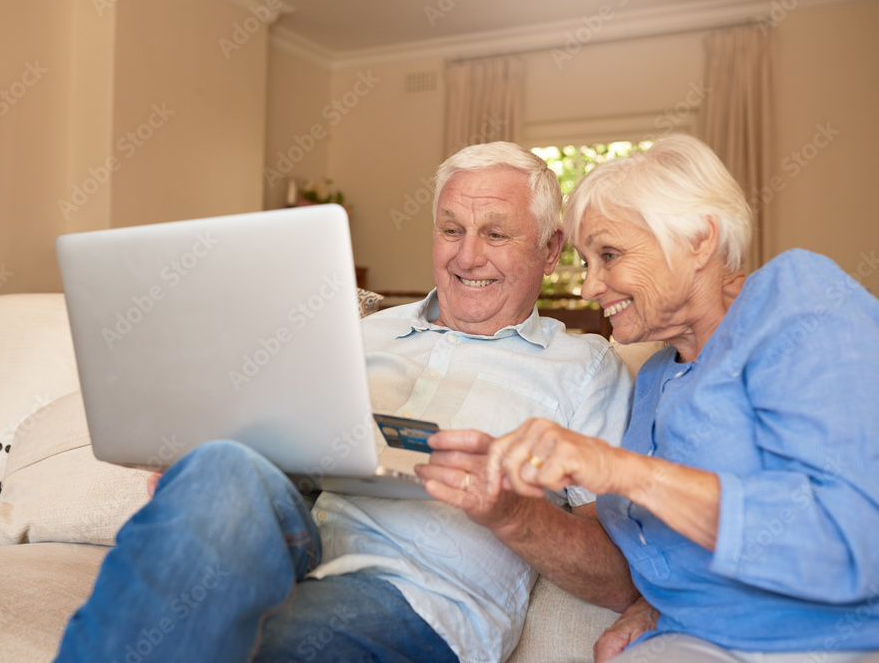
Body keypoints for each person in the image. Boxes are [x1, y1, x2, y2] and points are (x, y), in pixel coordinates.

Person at [54, 141, 636, 662]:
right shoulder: (358, 331)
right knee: (220, 466)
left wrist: (512, 509)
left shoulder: (586, 369)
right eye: (451, 229)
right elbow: (276, 448)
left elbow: (615, 577)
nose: (466, 257)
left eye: (496, 233)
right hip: (285, 549)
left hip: (414, 598)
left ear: (551, 246)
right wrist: (205, 482)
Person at [460, 133, 879, 662]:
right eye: (587, 262)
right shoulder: (657, 374)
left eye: (609, 255)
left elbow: (857, 541)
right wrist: (658, 607)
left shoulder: (796, 304)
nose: (590, 287)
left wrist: (619, 469)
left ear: (700, 240)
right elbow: (675, 547)